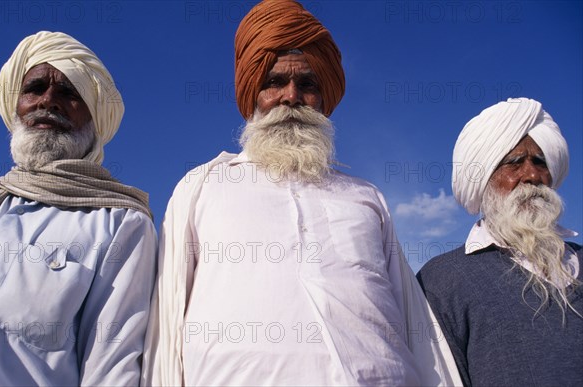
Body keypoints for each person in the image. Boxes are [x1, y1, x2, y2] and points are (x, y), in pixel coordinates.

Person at [142, 1, 460, 385]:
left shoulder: (366, 198)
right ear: (252, 96)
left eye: (307, 84)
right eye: (274, 82)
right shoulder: (203, 186)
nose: (291, 97)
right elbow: (168, 318)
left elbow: (416, 325)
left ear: (324, 100)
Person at [0, 31, 157, 385]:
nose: (48, 102)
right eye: (34, 89)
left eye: (69, 93)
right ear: (15, 105)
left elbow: (112, 367)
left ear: (94, 118)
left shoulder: (119, 222)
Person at [418, 97, 583, 386]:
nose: (532, 175)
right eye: (514, 162)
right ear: (483, 180)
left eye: (540, 162)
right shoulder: (441, 280)